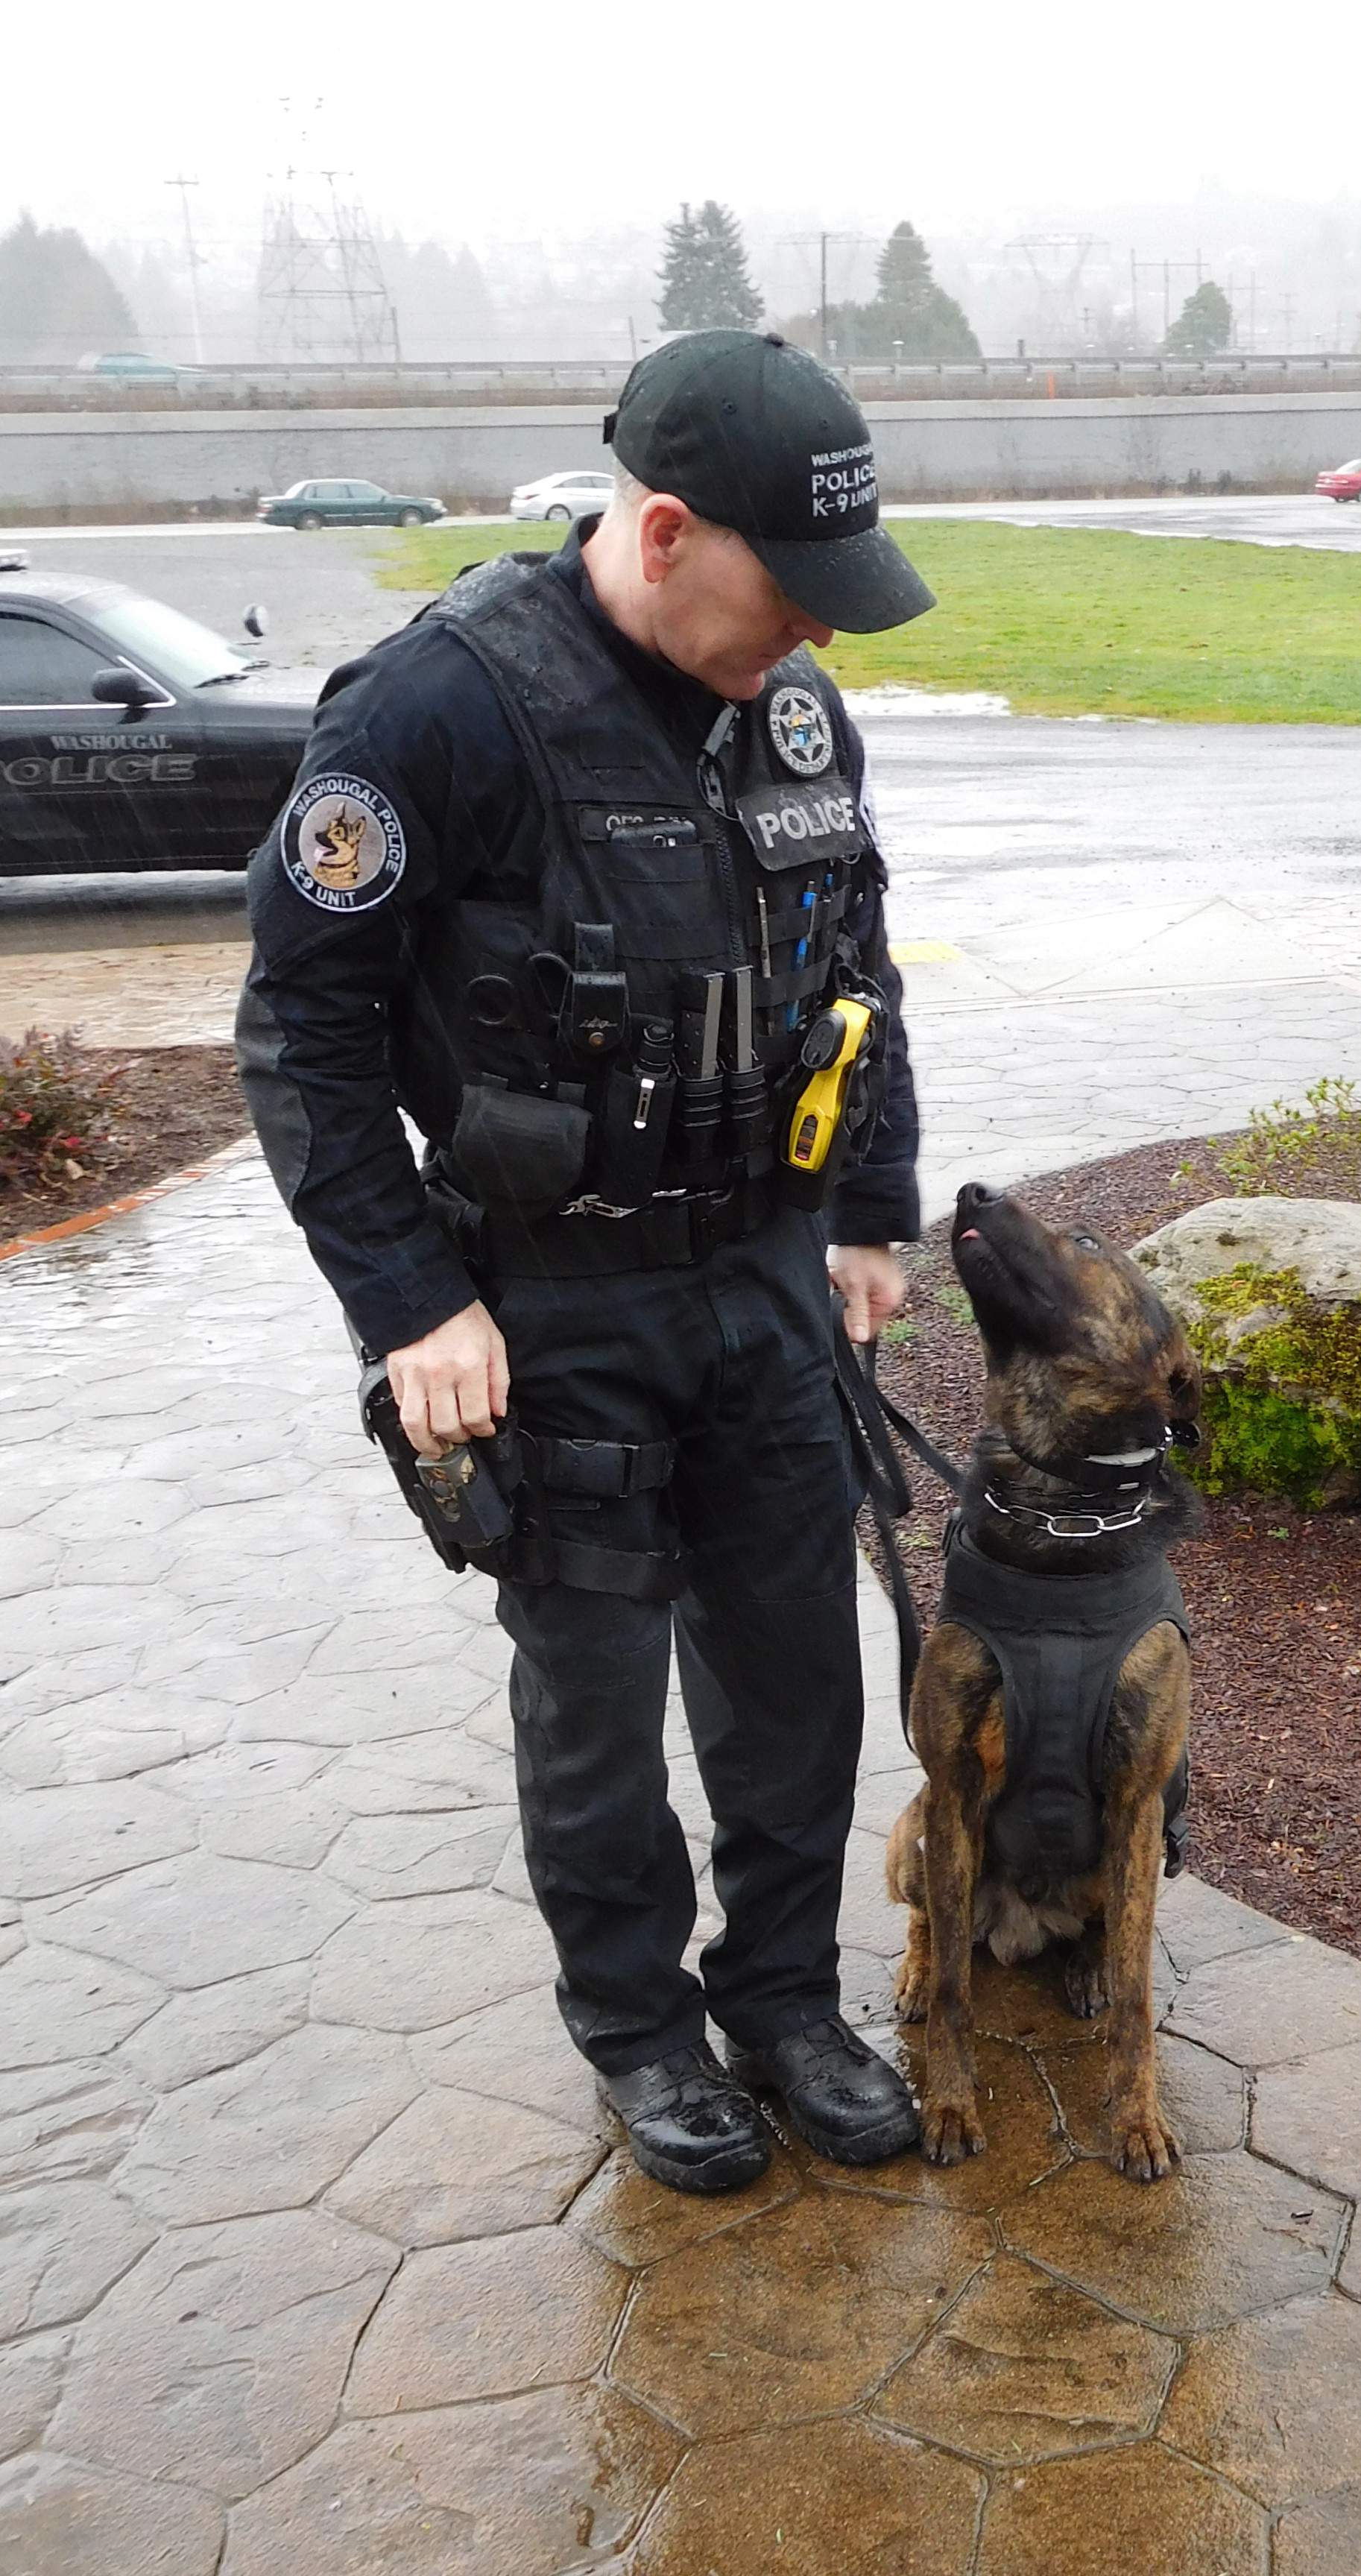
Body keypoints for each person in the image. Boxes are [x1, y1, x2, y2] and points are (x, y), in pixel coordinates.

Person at [237, 329, 933, 2194]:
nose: (814, 639)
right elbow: (300, 1035)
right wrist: (409, 1305)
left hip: (766, 1275)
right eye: (791, 594)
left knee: (794, 1674)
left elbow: (854, 966)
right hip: (553, 1299)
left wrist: (869, 1205)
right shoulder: (434, 710)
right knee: (598, 1696)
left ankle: (784, 2003)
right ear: (668, 530)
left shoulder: (788, 708)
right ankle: (639, 2032)